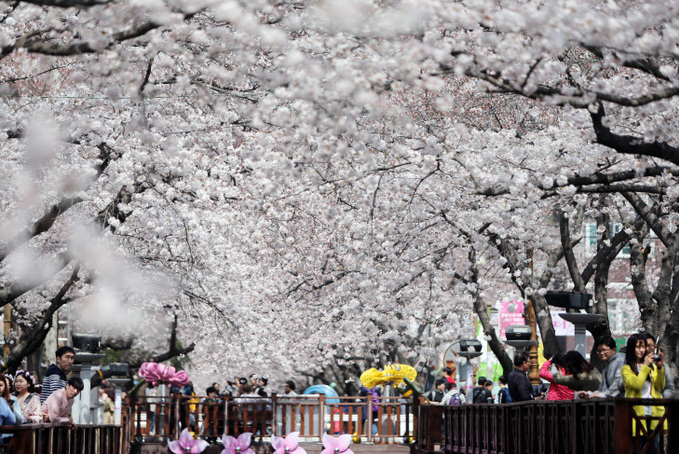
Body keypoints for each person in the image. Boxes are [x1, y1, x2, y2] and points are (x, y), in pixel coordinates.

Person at [621, 333, 666, 447]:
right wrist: (645, 366)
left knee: (653, 448)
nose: (641, 350)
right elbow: (637, 384)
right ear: (632, 348)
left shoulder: (652, 367)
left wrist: (660, 368)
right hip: (636, 413)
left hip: (654, 412)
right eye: (637, 347)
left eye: (643, 347)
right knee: (638, 447)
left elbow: (660, 385)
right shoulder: (626, 369)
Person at [640, 332, 675, 398]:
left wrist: (660, 399)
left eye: (650, 346)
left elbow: (670, 389)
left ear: (655, 347)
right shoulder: (635, 365)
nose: (647, 349)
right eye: (644, 346)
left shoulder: (663, 367)